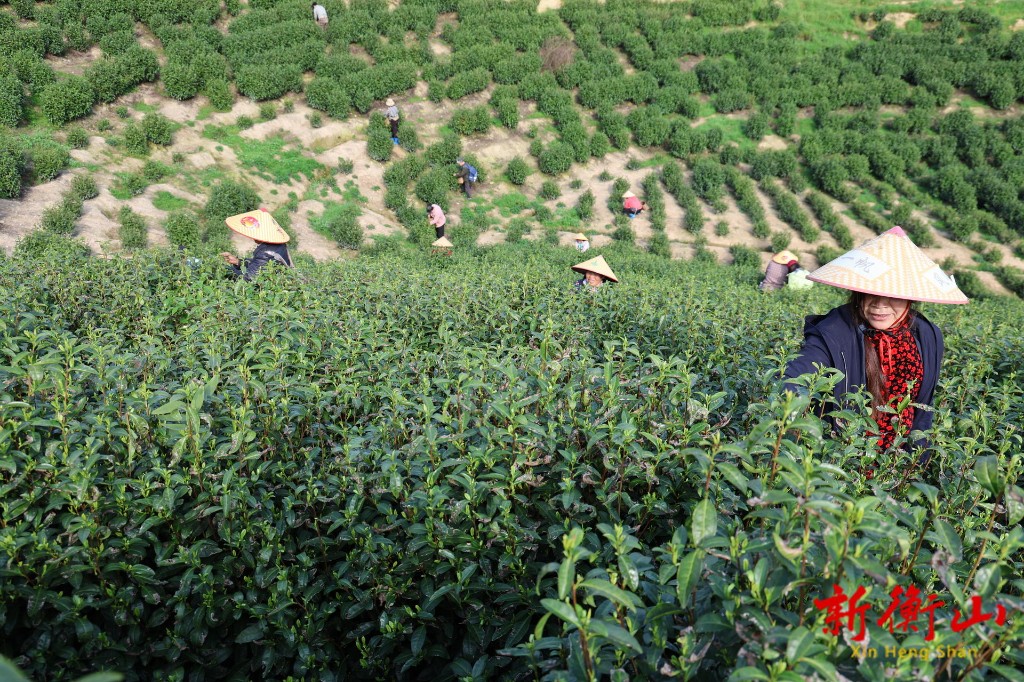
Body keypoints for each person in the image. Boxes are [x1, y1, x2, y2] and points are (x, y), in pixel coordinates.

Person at [783, 226, 968, 459]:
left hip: (900, 461)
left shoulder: (927, 335)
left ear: (910, 297)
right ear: (858, 292)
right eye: (871, 292)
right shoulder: (834, 330)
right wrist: (789, 397)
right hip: (846, 458)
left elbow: (923, 409)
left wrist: (917, 461)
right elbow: (802, 369)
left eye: (893, 295)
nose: (880, 305)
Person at [219, 208, 294, 281]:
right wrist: (238, 262)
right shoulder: (278, 244)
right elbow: (257, 264)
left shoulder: (266, 253)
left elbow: (248, 278)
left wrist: (225, 269)